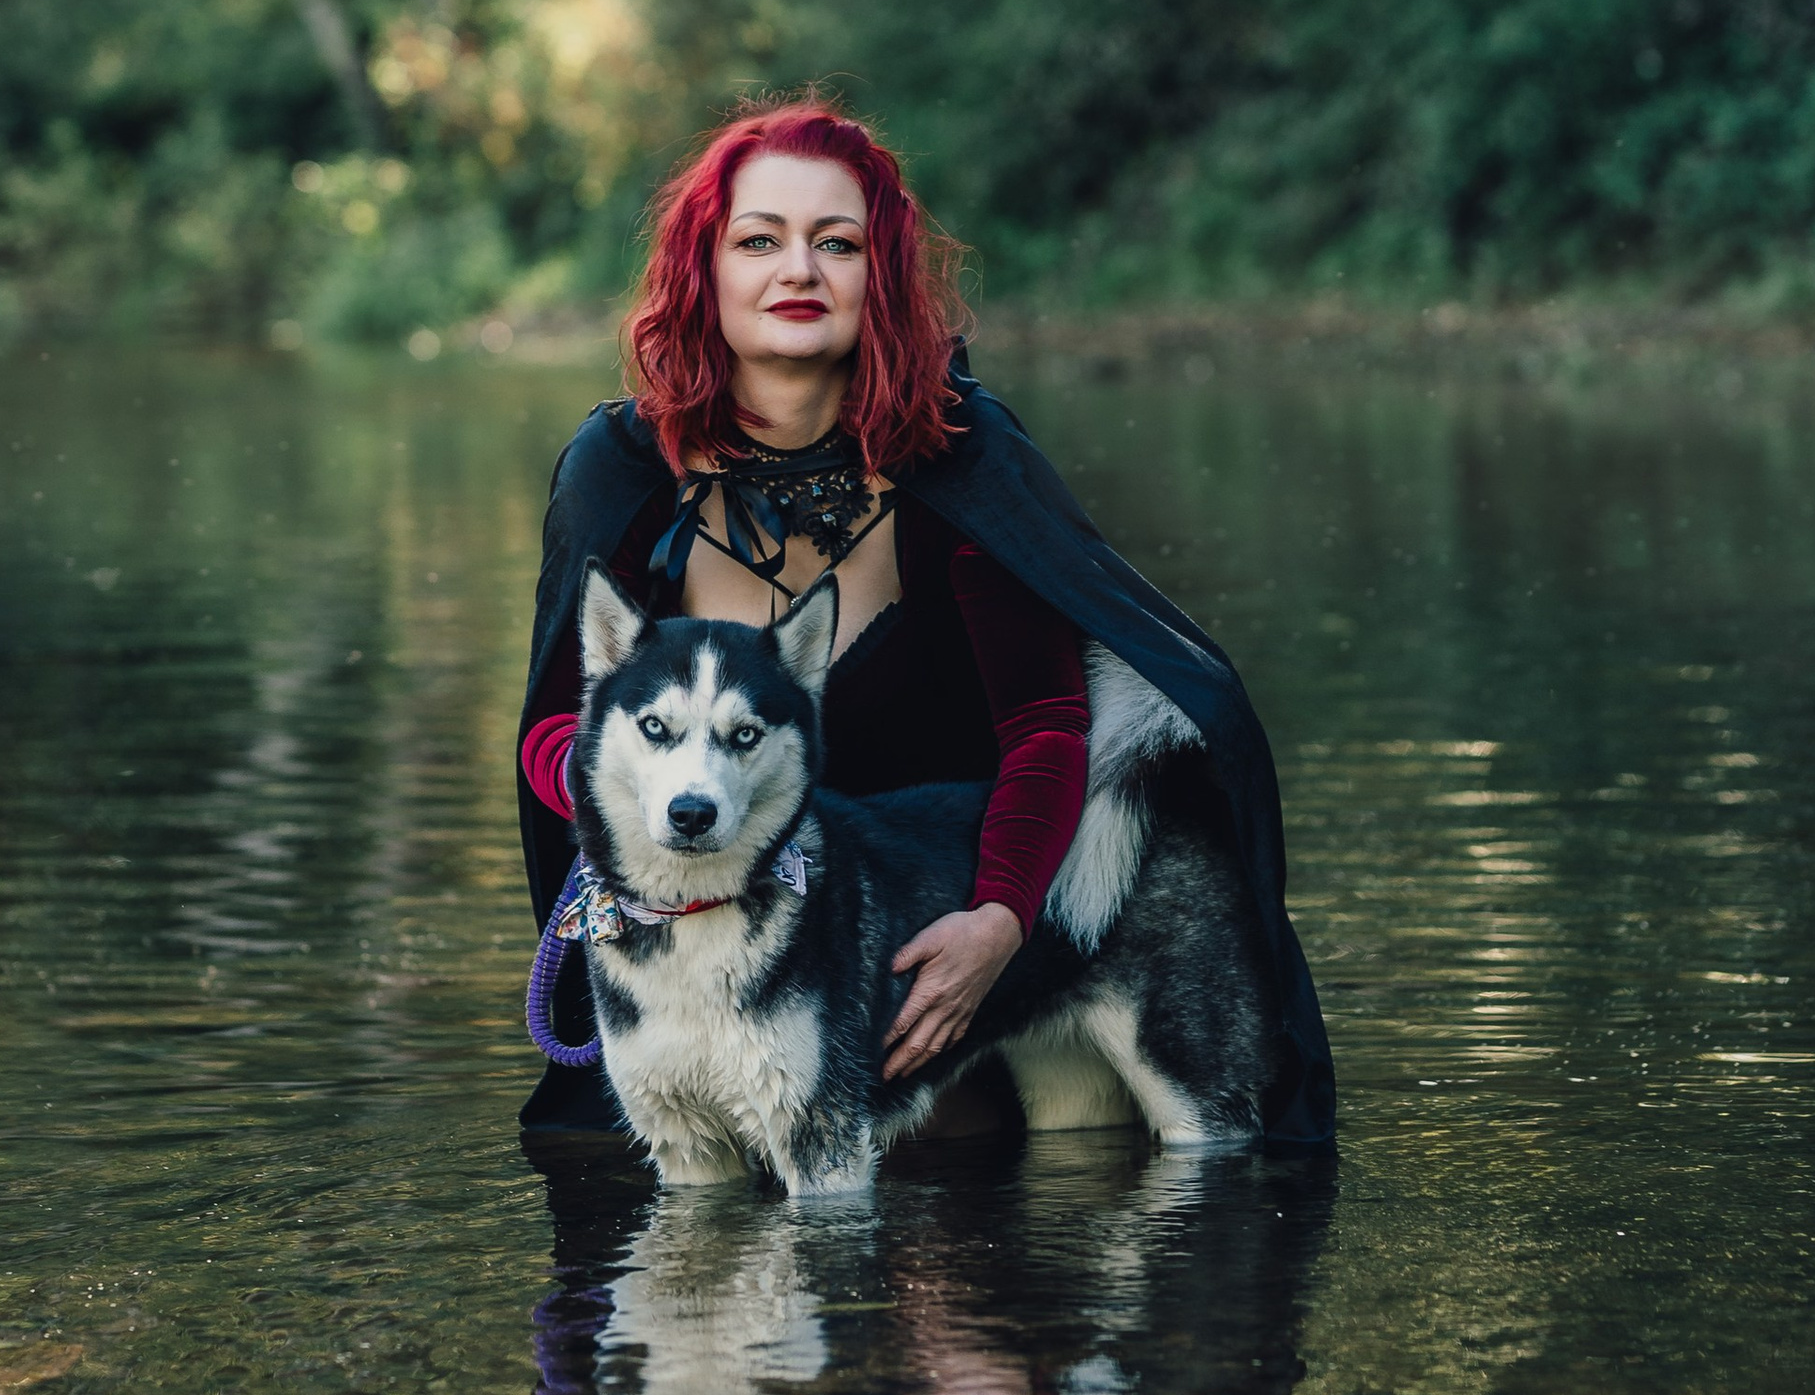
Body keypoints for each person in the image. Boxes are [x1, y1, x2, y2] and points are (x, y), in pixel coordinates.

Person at [513, 101, 1334, 1147]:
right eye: (758, 240)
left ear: (881, 274)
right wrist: (644, 836)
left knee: (979, 1212)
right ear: (705, 272)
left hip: (947, 907)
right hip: (695, 908)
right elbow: (553, 728)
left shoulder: (963, 459)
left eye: (836, 243)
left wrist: (999, 921)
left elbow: (1045, 722)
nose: (797, 270)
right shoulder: (621, 473)